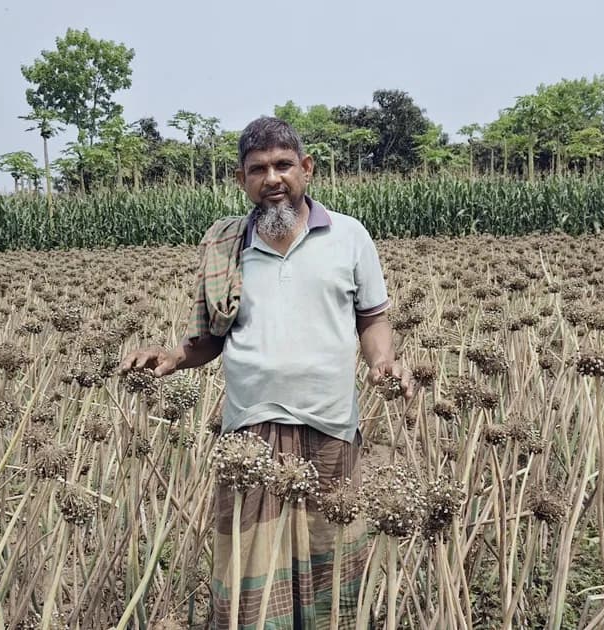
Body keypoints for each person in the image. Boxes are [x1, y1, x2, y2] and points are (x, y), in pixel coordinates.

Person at [119, 116, 412, 628]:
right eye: (258, 169)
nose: (272, 179)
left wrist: (382, 361)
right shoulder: (224, 246)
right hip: (249, 436)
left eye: (283, 166)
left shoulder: (349, 236)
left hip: (330, 427)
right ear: (242, 180)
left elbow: (373, 319)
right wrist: (172, 357)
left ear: (306, 169)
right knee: (251, 584)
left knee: (333, 572)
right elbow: (209, 338)